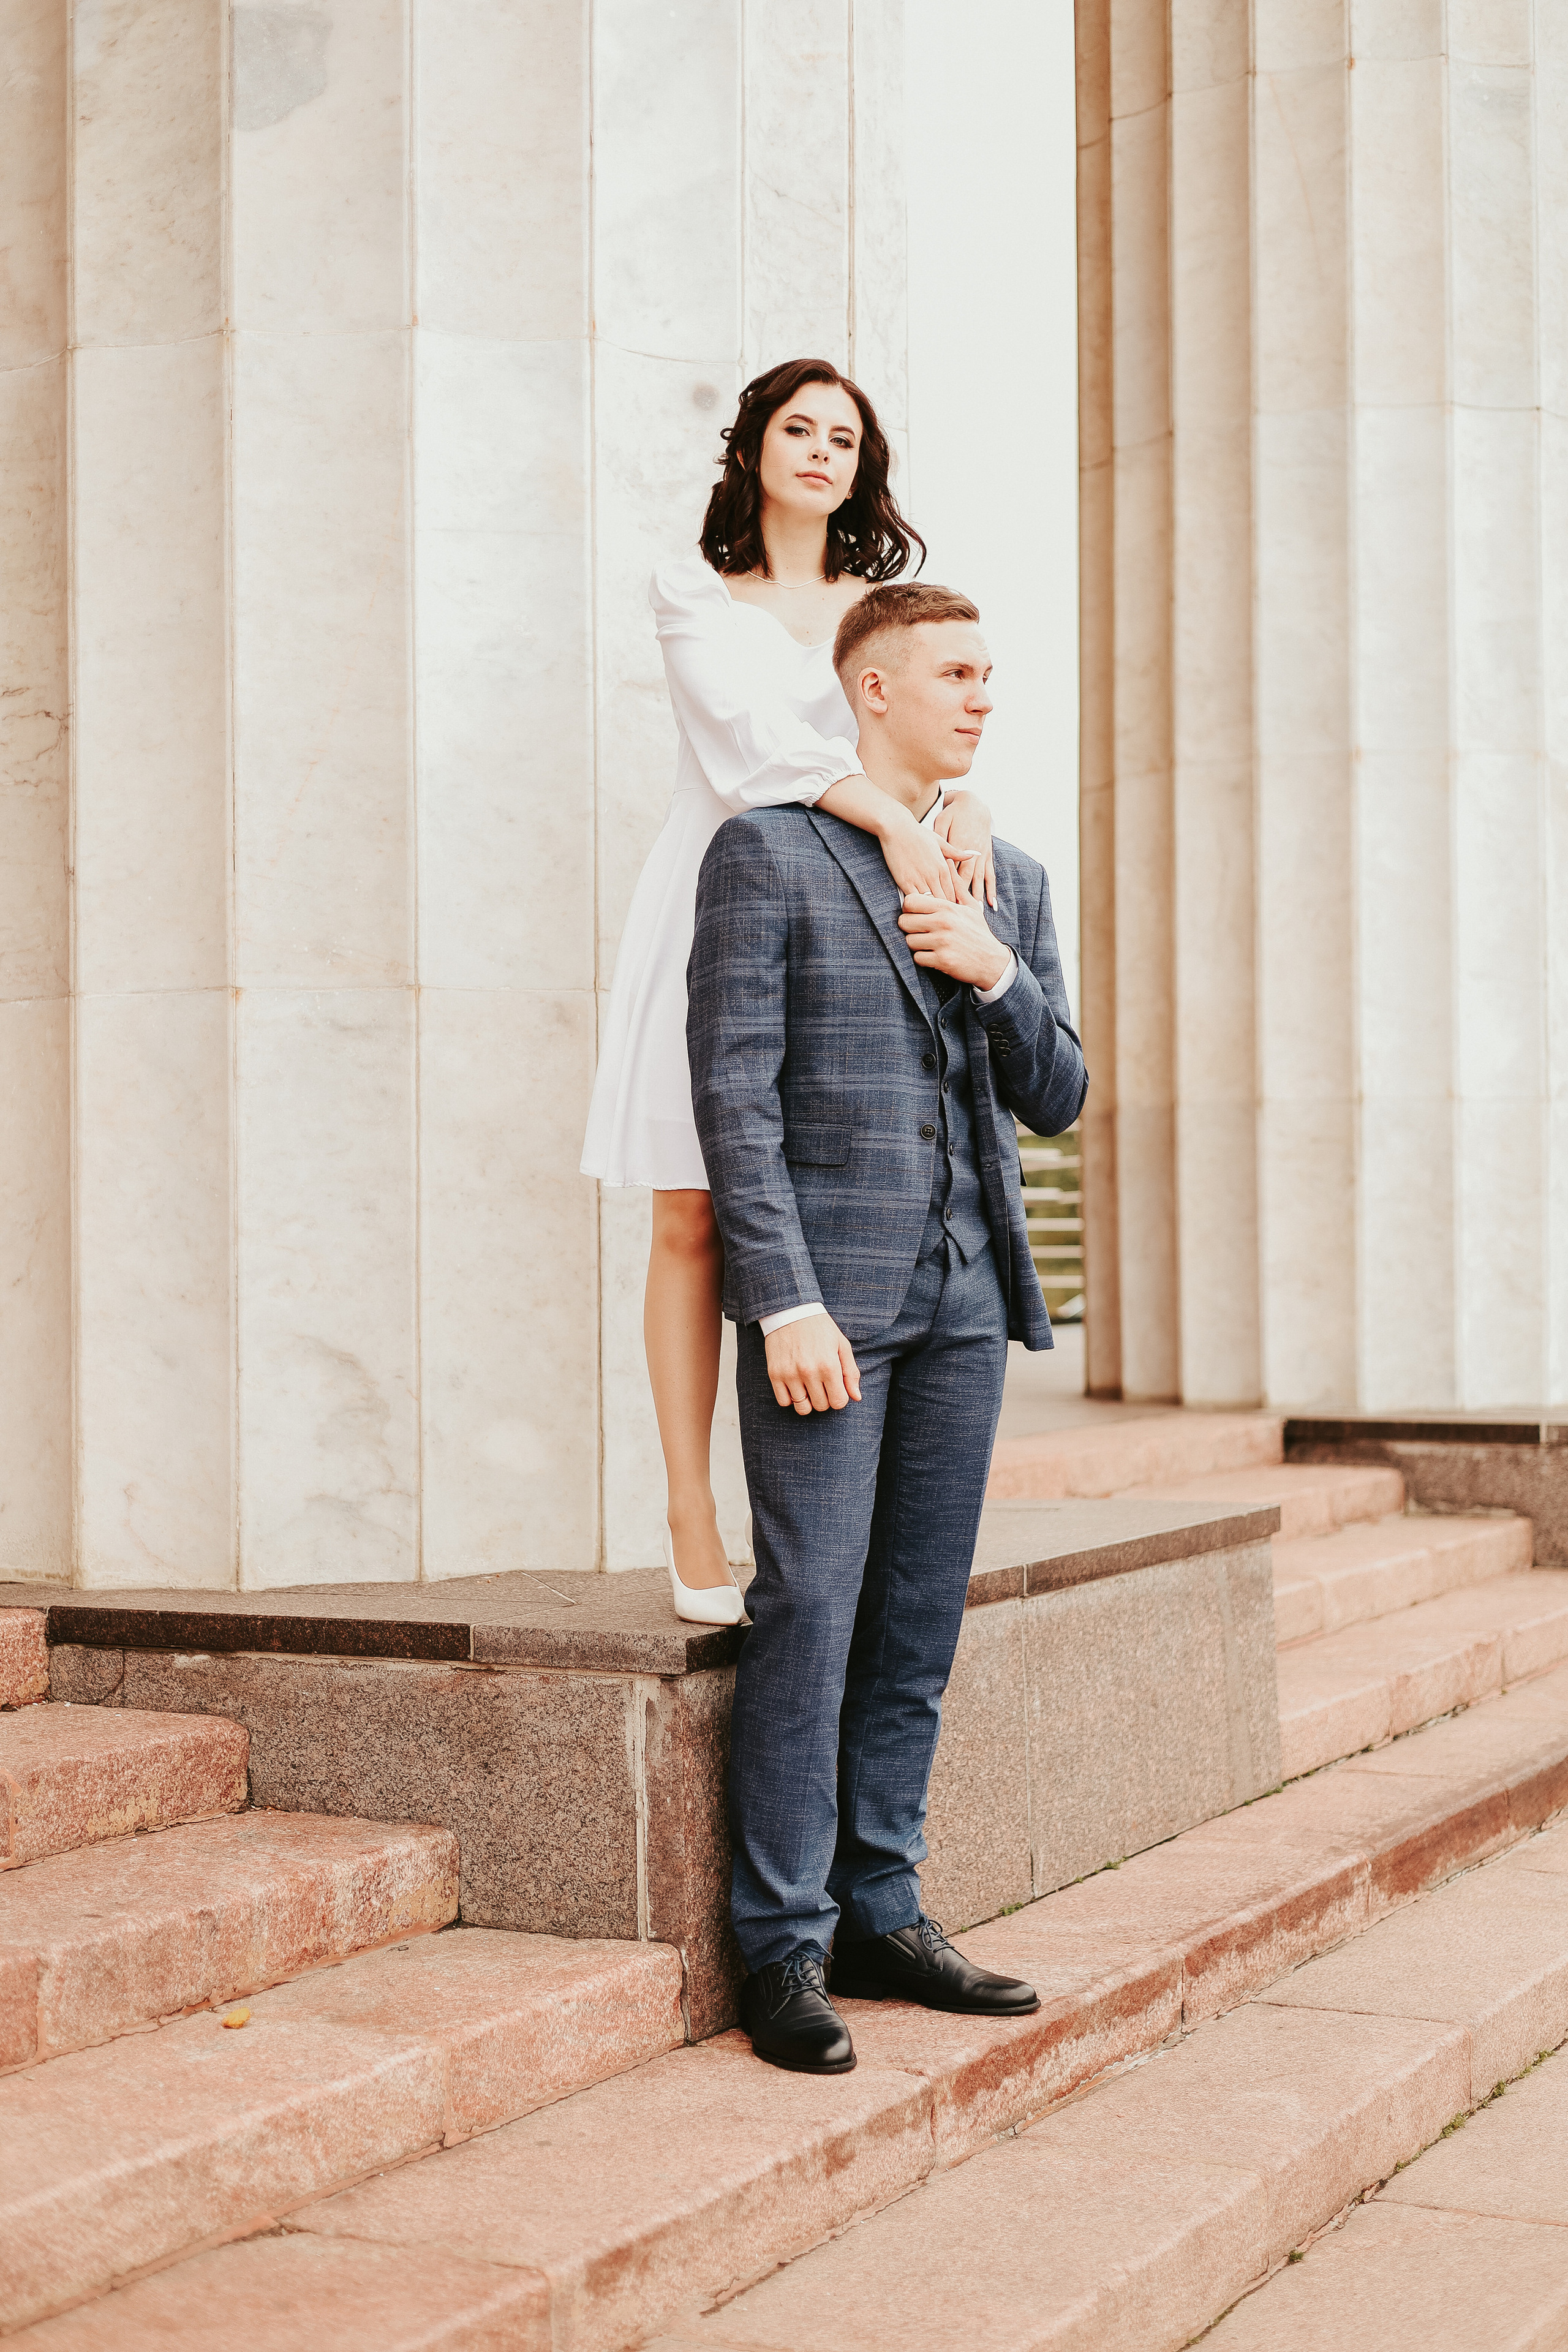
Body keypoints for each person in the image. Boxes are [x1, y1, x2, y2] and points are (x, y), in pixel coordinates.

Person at [687, 582, 1088, 2074]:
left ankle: (882, 1906)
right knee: (808, 1608)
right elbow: (733, 1093)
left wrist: (991, 973)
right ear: (868, 689)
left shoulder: (1014, 879)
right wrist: (778, 1294)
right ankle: (782, 1943)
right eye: (954, 671)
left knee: (915, 1620)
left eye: (990, 669)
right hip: (826, 1310)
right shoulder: (767, 855)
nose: (983, 694)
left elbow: (1057, 1093)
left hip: (966, 1303)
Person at [581, 359, 995, 1626]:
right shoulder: (692, 589)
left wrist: (962, 800)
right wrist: (895, 813)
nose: (819, 450)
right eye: (797, 429)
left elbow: (932, 726)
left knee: (812, 1206)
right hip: (719, 893)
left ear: (863, 465)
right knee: (689, 1216)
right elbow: (749, 749)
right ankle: (687, 1508)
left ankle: (808, 1509)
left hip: (854, 918)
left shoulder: (889, 603)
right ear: (754, 446)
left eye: (842, 437)